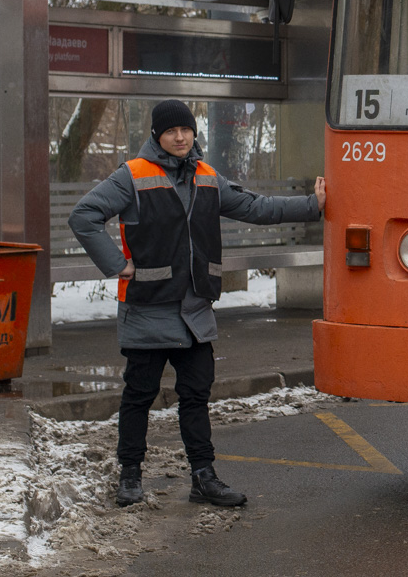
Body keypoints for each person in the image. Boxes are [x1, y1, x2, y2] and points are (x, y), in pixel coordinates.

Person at [68, 99, 326, 509]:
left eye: (186, 129)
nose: (181, 137)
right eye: (171, 131)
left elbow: (256, 207)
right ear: (157, 135)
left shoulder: (207, 177)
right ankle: (130, 475)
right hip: (148, 309)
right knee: (139, 396)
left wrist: (312, 206)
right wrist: (118, 265)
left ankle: (203, 478)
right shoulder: (132, 176)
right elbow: (84, 216)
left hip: (193, 312)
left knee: (196, 398)